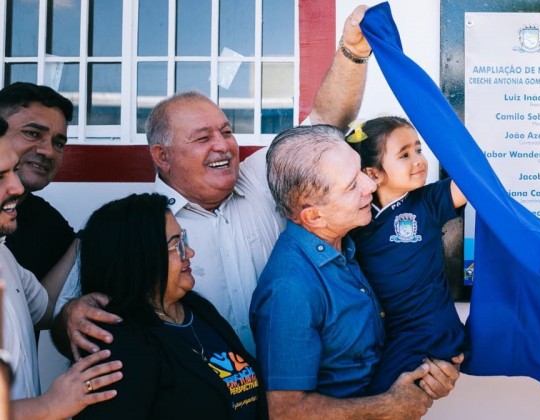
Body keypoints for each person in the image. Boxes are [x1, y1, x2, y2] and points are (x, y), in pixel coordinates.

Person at [54, 4, 375, 360]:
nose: (223, 145)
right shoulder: (128, 225)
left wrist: (354, 51)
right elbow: (67, 319)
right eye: (202, 138)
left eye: (226, 131)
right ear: (163, 156)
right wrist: (68, 316)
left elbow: (326, 122)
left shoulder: (261, 177)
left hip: (287, 394)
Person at [251, 125, 460, 418]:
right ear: (314, 215)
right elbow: (286, 412)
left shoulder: (349, 244)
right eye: (352, 186)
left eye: (362, 171)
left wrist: (427, 373)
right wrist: (387, 406)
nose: (370, 185)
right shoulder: (291, 289)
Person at [73, 193, 264, 419]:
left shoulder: (199, 309)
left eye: (185, 241)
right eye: (176, 245)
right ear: (140, 257)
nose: (189, 253)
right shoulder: (118, 344)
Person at [0, 116, 122, 419]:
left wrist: (72, 311)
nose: (16, 187)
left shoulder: (5, 258)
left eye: (14, 171)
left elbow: (44, 309)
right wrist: (49, 405)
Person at [345, 116, 467, 394]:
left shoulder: (429, 201)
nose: (419, 161)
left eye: (419, 150)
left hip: (428, 332)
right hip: (391, 334)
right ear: (373, 174)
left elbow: (473, 182)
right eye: (405, 154)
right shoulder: (358, 218)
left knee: (379, 400)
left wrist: (439, 124)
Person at [0, 82, 76, 281]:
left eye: (58, 143)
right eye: (33, 134)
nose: (48, 152)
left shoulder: (52, 229)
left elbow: (42, 307)